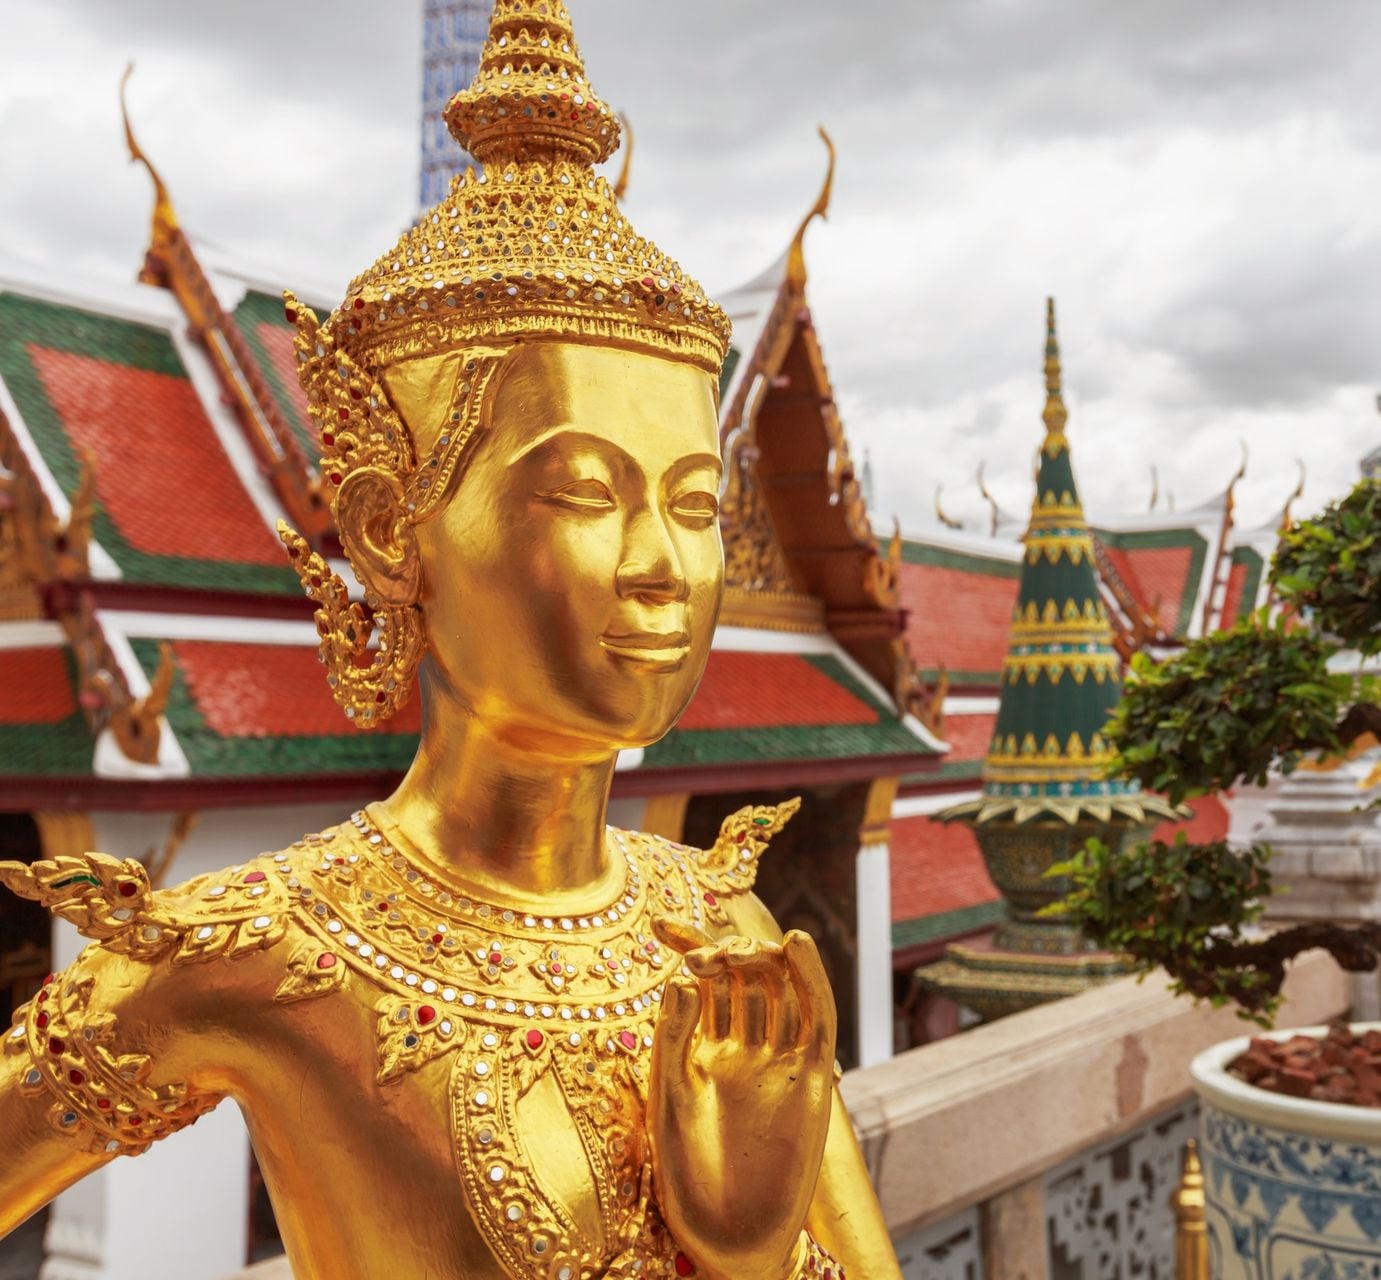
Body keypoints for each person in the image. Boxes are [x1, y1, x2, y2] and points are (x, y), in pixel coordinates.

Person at [0, 4, 898, 1276]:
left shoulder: (720, 926)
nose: (664, 567)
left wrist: (743, 1240)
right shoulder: (260, 955)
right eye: (586, 492)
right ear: (387, 527)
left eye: (698, 505)